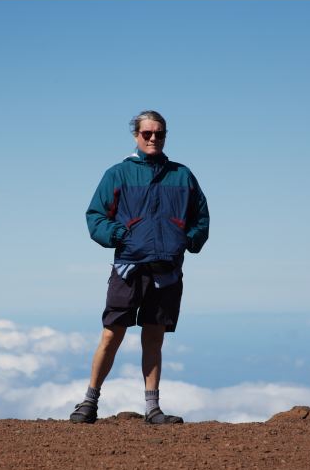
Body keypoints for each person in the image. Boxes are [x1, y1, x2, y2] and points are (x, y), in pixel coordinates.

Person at [70, 110, 210, 425]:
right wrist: (118, 235)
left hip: (166, 268)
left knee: (154, 336)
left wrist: (187, 239)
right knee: (111, 333)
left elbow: (200, 216)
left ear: (165, 136)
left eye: (158, 133)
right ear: (136, 135)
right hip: (128, 268)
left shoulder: (181, 175)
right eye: (147, 133)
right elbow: (95, 216)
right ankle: (89, 402)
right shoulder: (118, 174)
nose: (152, 138)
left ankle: (152, 409)